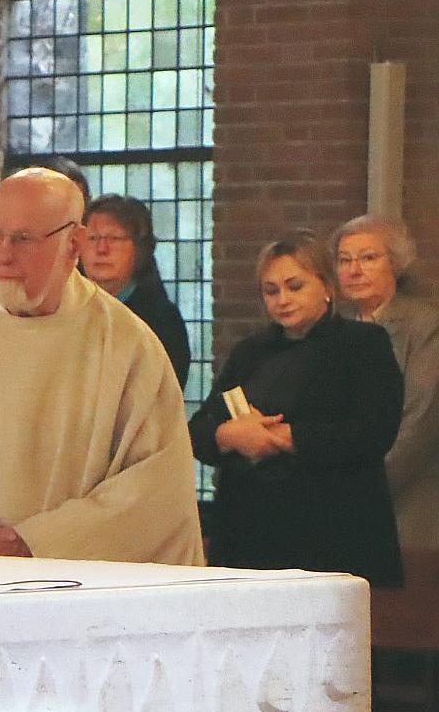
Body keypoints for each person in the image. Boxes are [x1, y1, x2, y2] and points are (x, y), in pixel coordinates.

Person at [0, 168, 204, 564]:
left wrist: (38, 542)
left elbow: (155, 486)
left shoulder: (127, 346)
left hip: (75, 587)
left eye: (23, 239)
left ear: (74, 243)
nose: (3, 254)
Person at [189, 232, 403, 585]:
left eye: (295, 286)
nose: (283, 300)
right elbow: (199, 429)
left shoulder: (362, 345)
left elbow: (374, 431)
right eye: (271, 291)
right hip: (250, 534)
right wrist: (230, 435)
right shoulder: (250, 352)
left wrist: (283, 437)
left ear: (327, 286)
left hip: (333, 531)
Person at [334, 215, 439, 550]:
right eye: (344, 260)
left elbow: (419, 419)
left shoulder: (425, 326)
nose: (354, 270)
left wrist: (360, 486)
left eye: (368, 258)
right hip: (339, 505)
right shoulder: (335, 327)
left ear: (395, 263)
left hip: (407, 505)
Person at [81, 194, 191, 381]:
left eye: (114, 238)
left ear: (139, 249)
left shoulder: (161, 320)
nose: (102, 249)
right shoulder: (66, 310)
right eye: (92, 238)